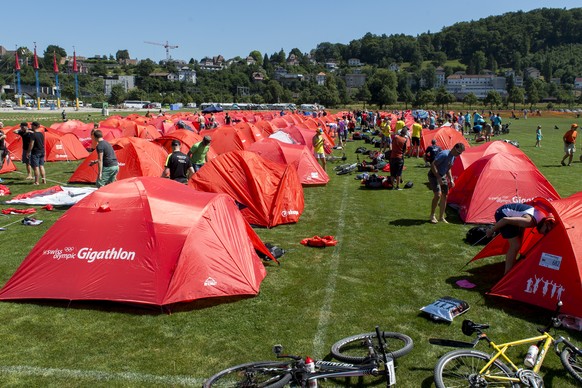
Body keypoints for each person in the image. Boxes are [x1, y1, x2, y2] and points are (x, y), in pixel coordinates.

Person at [486, 203, 556, 274]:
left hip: (511, 213)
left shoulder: (542, 217)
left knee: (517, 243)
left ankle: (512, 266)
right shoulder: (529, 222)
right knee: (515, 245)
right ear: (546, 223)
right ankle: (507, 273)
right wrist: (492, 230)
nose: (544, 234)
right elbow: (505, 220)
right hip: (502, 213)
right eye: (546, 231)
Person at [428, 142, 465, 224]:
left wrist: (451, 179)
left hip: (442, 175)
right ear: (454, 148)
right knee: (438, 195)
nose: (459, 154)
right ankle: (432, 215)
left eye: (461, 153)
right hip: (434, 175)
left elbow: (448, 168)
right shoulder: (444, 154)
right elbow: (433, 165)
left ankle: (441, 217)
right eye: (459, 152)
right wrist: (438, 177)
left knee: (445, 195)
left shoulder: (454, 157)